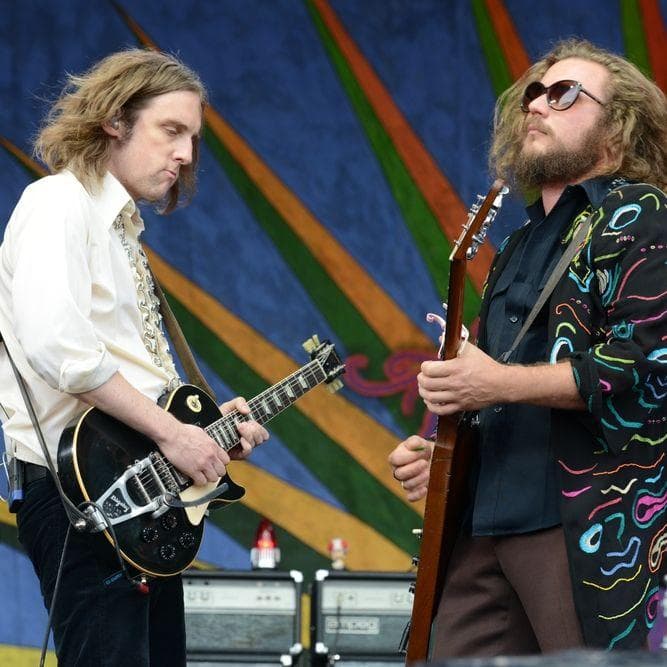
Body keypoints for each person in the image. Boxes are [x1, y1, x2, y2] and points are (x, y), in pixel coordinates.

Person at [390, 38, 666, 655]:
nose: (538, 105)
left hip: (583, 523)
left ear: (619, 128)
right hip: (486, 515)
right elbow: (491, 388)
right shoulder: (516, 244)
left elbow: (640, 368)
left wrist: (493, 382)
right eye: (534, 94)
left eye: (565, 94)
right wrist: (445, 456)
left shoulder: (646, 215)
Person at [0, 49, 269, 666]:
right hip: (81, 495)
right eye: (171, 130)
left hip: (137, 496)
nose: (186, 154)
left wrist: (202, 428)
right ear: (114, 120)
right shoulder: (58, 203)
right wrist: (174, 435)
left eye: (193, 138)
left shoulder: (121, 231)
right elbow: (60, 350)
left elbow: (128, 373)